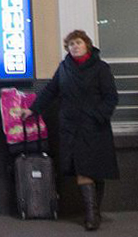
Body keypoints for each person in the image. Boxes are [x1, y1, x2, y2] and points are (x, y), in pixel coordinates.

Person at [22, 30, 119, 231]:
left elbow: (111, 97)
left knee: (96, 172)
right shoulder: (65, 68)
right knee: (83, 170)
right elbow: (50, 90)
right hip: (72, 129)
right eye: (71, 44)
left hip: (94, 128)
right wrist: (32, 109)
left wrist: (98, 115)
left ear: (87, 45)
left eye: (78, 43)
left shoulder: (100, 68)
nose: (74, 47)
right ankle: (91, 216)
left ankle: (95, 211)